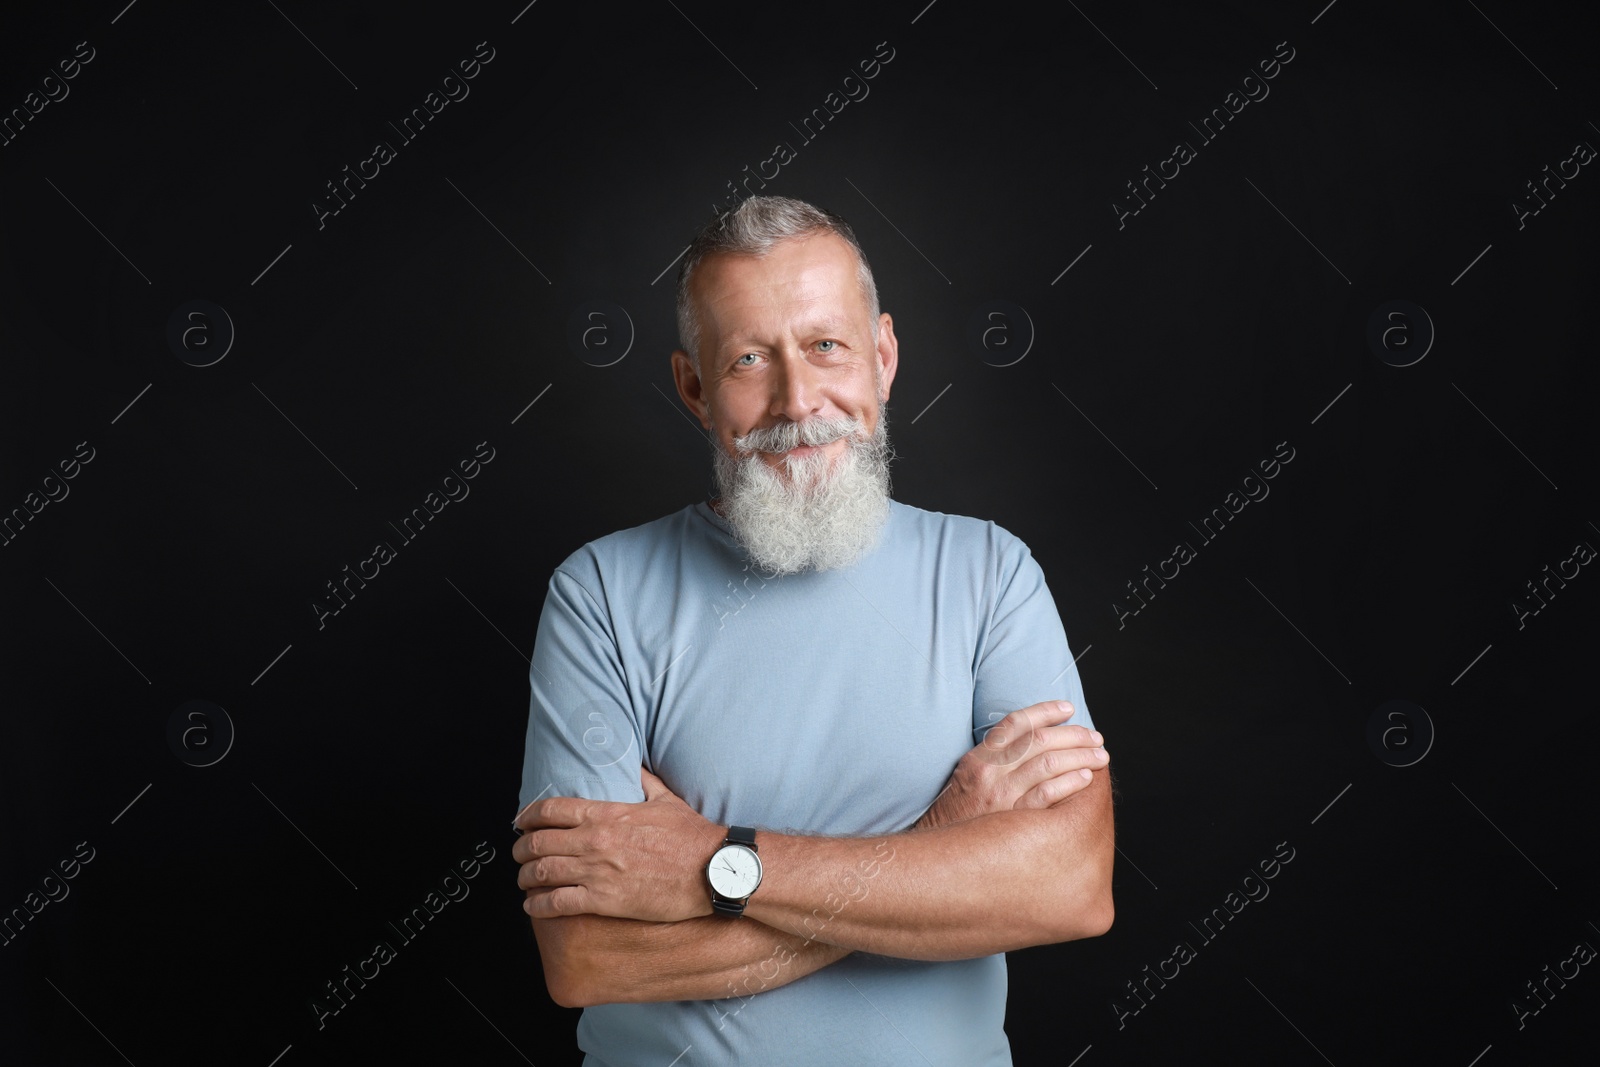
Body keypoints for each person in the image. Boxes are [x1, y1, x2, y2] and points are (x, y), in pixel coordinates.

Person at [512, 195, 1114, 1065]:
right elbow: (588, 958)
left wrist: (718, 862)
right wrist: (938, 852)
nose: (799, 400)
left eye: (827, 346)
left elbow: (1069, 887)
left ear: (882, 357)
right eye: (751, 358)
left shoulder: (991, 576)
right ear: (693, 387)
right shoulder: (599, 595)